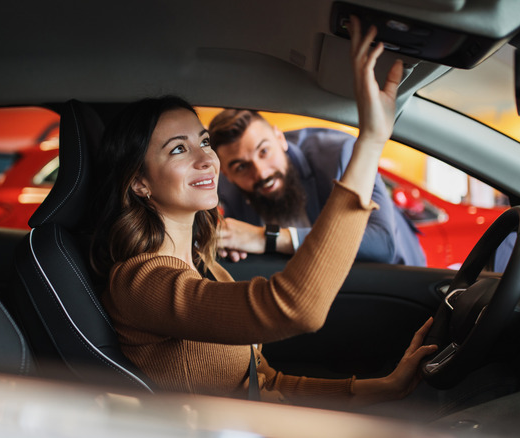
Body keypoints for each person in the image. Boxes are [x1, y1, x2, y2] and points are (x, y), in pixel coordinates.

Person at [92, 16, 437, 409]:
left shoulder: (204, 266)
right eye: (177, 149)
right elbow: (296, 309)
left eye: (203, 142)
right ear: (140, 183)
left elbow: (264, 383)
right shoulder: (141, 282)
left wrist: (384, 388)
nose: (206, 159)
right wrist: (371, 141)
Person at [209, 111, 426, 266]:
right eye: (241, 167)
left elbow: (382, 244)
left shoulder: (341, 155)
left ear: (280, 138)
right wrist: (227, 245)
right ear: (227, 174)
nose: (262, 173)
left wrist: (267, 237)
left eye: (264, 151)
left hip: (393, 285)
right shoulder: (226, 190)